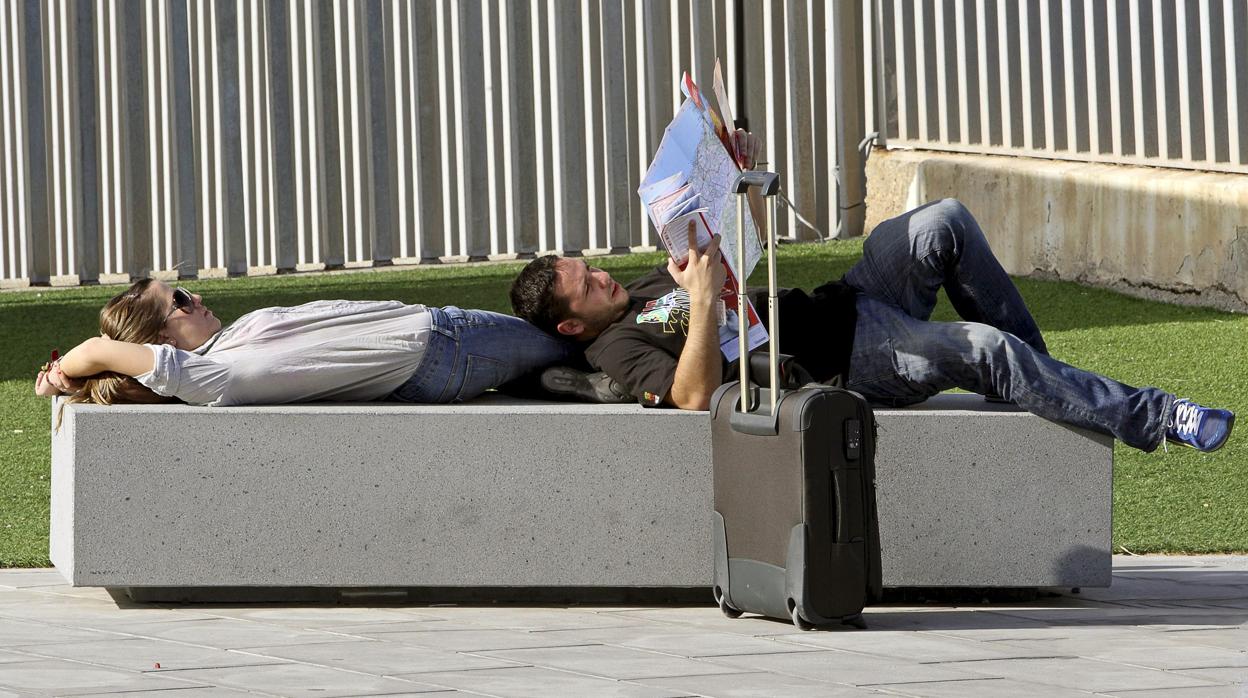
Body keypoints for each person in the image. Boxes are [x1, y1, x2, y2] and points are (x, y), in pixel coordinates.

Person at [509, 171, 1235, 454]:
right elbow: (694, 394)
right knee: (983, 346)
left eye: (591, 267)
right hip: (848, 361)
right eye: (587, 285)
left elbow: (737, 251)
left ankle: (1038, 379)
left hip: (848, 301)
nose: (603, 277)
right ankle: (1154, 414)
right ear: (572, 325)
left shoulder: (636, 289)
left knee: (942, 218)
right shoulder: (613, 353)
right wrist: (700, 302)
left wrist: (737, 176)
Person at [35, 279, 573, 409]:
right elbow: (98, 349)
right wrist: (69, 370)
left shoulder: (222, 354)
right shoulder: (209, 376)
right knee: (587, 328)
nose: (196, 298)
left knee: (563, 349)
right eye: (178, 299)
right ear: (158, 340)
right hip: (448, 344)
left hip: (444, 347)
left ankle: (575, 381)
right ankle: (658, 313)